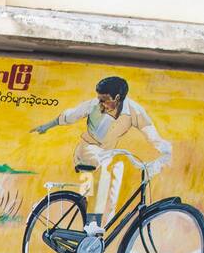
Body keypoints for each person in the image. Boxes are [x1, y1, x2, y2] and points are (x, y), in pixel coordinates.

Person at [32, 75, 172, 233]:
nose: (101, 104)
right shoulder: (93, 105)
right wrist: (45, 126)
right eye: (99, 99)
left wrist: (166, 152)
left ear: (117, 98)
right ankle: (92, 225)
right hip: (86, 151)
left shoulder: (134, 111)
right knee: (100, 173)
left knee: (115, 177)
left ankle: (100, 231)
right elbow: (69, 116)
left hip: (108, 155)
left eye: (104, 100)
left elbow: (151, 135)